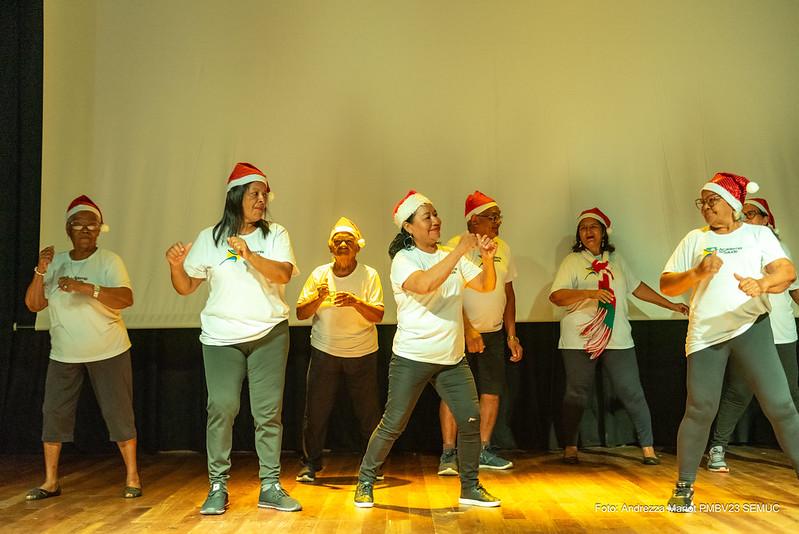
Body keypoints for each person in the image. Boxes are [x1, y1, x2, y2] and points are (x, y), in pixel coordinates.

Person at [165, 162, 301, 514]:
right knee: (222, 407)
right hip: (220, 338)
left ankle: (270, 484)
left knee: (267, 412)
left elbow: (283, 273)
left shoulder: (275, 235)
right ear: (236, 196)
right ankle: (217, 486)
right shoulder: (210, 238)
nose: (261, 200)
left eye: (264, 194)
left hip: (269, 333)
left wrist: (250, 254)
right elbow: (186, 287)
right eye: (254, 193)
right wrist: (176, 266)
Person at [354, 190, 501, 508]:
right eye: (427, 217)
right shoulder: (404, 260)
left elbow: (486, 286)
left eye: (436, 214)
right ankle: (365, 480)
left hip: (451, 358)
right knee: (393, 423)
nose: (436, 221)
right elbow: (424, 285)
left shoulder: (451, 254)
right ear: (408, 227)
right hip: (413, 357)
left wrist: (486, 259)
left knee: (471, 419)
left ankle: (470, 486)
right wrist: (459, 251)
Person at [661, 172, 799, 511]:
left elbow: (786, 271)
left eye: (713, 201)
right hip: (707, 333)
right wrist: (696, 274)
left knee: (781, 405)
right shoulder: (694, 238)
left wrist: (761, 283)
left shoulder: (758, 234)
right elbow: (667, 284)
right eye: (703, 202)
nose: (706, 207)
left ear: (733, 204)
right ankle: (684, 487)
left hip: (751, 326)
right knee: (700, 408)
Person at [549, 208, 688, 465]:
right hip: (580, 337)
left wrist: (671, 305)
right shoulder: (572, 261)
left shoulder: (617, 260)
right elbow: (556, 296)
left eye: (594, 227)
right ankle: (570, 447)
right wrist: (588, 294)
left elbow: (637, 288)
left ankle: (647, 448)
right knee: (576, 393)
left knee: (632, 391)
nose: (588, 231)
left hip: (616, 336)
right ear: (579, 235)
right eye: (583, 228)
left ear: (603, 232)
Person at [24, 195, 140, 500]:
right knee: (54, 414)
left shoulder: (109, 261)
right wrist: (40, 270)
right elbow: (34, 304)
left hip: (109, 350)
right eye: (79, 223)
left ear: (101, 230)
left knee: (119, 414)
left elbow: (126, 298)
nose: (87, 229)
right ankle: (50, 481)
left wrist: (87, 288)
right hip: (64, 354)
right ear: (68, 229)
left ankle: (132, 477)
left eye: (93, 224)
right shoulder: (55, 262)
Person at [706, 196, 799, 472]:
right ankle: (717, 448)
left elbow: (793, 290)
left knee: (791, 394)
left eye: (752, 214)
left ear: (766, 219)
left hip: (783, 332)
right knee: (739, 391)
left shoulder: (781, 249)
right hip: (751, 331)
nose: (746, 218)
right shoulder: (738, 246)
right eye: (742, 214)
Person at [438, 191, 522, 476]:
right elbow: (449, 296)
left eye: (499, 217)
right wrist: (469, 330)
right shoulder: (453, 247)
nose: (498, 222)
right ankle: (449, 453)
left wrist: (512, 335)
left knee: (491, 392)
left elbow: (509, 294)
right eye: (492, 217)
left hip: (494, 333)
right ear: (474, 221)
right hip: (459, 334)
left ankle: (484, 449)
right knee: (452, 394)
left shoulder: (504, 249)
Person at [295, 217, 384, 483]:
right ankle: (310, 463)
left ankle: (373, 465)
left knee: (369, 414)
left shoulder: (369, 275)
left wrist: (356, 302)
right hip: (325, 351)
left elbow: (378, 314)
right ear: (330, 248)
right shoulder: (319, 275)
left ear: (358, 247)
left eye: (348, 241)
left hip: (363, 352)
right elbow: (300, 313)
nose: (343, 245)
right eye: (338, 242)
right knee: (316, 412)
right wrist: (319, 297)